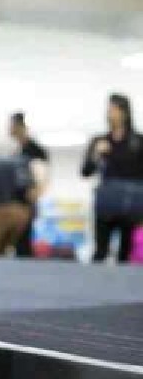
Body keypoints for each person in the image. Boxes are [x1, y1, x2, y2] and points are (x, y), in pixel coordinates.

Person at [81, 94, 143, 263]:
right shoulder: (99, 140)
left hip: (132, 205)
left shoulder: (139, 141)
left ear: (124, 112)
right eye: (108, 110)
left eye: (113, 110)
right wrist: (96, 154)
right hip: (106, 203)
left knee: (126, 253)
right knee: (100, 252)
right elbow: (85, 171)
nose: (109, 114)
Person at [9, 112, 50, 257]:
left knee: (23, 240)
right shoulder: (16, 151)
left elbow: (42, 176)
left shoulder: (35, 150)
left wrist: (36, 194)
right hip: (15, 203)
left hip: (27, 203)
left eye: (12, 126)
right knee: (17, 240)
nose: (10, 130)